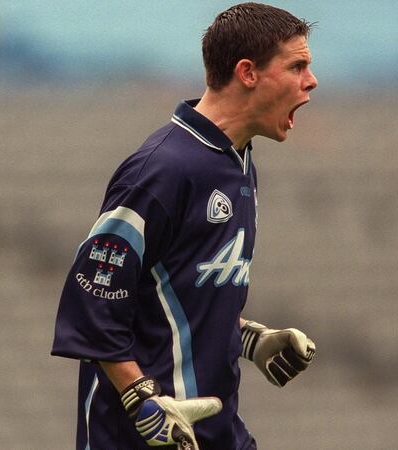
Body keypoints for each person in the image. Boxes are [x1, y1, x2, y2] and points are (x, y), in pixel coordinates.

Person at [52, 3, 318, 449]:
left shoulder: (237, 162)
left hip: (215, 432)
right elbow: (91, 302)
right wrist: (142, 402)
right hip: (144, 439)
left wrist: (249, 338)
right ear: (248, 72)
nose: (311, 81)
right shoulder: (162, 170)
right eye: (297, 66)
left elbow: (176, 293)